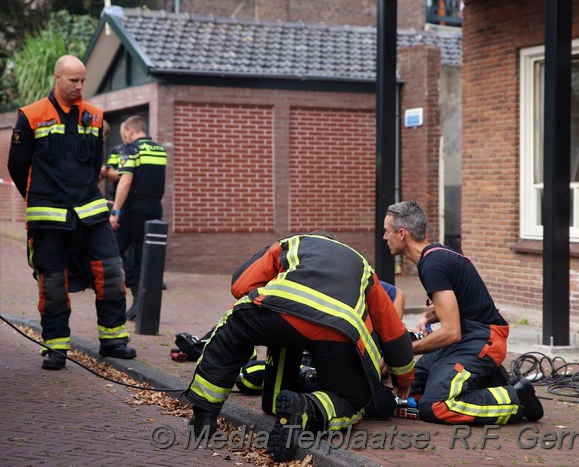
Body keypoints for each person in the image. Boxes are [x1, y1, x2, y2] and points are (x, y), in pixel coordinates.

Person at [183, 231, 414, 462]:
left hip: (282, 312)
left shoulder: (293, 243)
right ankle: (307, 408)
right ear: (338, 245)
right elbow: (393, 332)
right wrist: (403, 379)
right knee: (353, 401)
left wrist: (274, 299)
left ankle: (204, 415)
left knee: (232, 329)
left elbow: (241, 284)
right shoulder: (363, 266)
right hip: (339, 331)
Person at [7, 55, 136, 370]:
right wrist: (38, 197)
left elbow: (95, 163)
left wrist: (83, 190)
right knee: (52, 281)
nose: (79, 86)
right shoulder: (32, 115)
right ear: (57, 77)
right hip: (48, 214)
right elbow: (16, 165)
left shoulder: (93, 115)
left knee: (112, 271)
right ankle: (56, 347)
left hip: (89, 209)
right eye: (73, 80)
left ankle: (114, 340)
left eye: (82, 81)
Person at [383, 201, 543, 425]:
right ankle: (486, 382)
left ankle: (516, 399)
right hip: (465, 340)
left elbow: (450, 333)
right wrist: (430, 315)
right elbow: (462, 303)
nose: (384, 237)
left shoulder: (432, 265)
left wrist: (400, 352)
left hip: (483, 340)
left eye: (387, 231)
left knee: (435, 405)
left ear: (402, 233)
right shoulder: (436, 256)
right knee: (409, 392)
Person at [109, 115, 167, 320]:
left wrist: (115, 212)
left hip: (133, 208)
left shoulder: (131, 149)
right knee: (145, 256)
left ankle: (135, 293)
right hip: (154, 209)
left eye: (124, 134)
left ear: (131, 131)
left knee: (113, 249)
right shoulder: (160, 150)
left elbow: (125, 181)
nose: (124, 138)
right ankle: (142, 305)